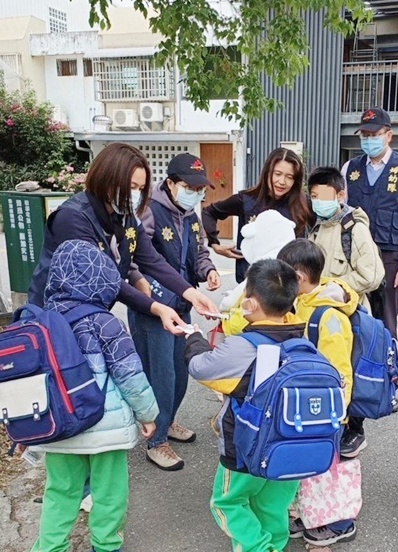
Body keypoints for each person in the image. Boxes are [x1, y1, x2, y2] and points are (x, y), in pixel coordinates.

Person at [19, 240, 158, 552]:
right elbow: (130, 375)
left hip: (60, 429)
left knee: (60, 493)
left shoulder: (39, 322)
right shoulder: (104, 323)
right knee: (110, 492)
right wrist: (148, 416)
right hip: (105, 429)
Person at [185, 259, 305, 552]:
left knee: (226, 502)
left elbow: (202, 368)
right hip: (290, 446)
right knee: (273, 502)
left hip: (248, 445)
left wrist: (193, 338)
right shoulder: (301, 340)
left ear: (250, 303)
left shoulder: (245, 345)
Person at [28, 142, 218, 332]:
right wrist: (156, 308)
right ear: (106, 179)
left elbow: (152, 260)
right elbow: (103, 277)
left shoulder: (125, 216)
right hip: (52, 320)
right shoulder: (73, 218)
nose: (135, 194)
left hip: (89, 316)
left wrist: (191, 293)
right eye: (131, 186)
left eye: (141, 188)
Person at [130, 153, 221, 471]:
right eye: (189, 187)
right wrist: (144, 288)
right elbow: (138, 259)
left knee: (182, 372)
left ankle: (166, 422)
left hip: (182, 306)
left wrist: (208, 270)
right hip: (154, 308)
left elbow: (199, 250)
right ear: (170, 183)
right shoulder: (148, 210)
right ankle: (156, 441)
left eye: (200, 189)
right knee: (161, 377)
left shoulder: (191, 215)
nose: (196, 194)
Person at [276, 239, 358, 547]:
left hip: (327, 410)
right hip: (304, 405)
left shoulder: (328, 316)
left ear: (297, 276)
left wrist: (338, 412)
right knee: (306, 464)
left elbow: (340, 371)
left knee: (327, 467)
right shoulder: (298, 306)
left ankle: (340, 522)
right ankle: (307, 514)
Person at [342, 107, 398, 340]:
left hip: (389, 255)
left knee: (386, 317)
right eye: (364, 135)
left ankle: (388, 370)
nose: (369, 140)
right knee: (355, 313)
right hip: (355, 254)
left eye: (374, 135)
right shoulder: (350, 169)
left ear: (388, 135)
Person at [203, 148, 310, 283]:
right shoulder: (246, 200)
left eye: (289, 177)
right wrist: (215, 244)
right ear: (267, 173)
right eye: (277, 174)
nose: (282, 181)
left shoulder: (303, 204)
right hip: (250, 284)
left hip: (287, 286)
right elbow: (209, 212)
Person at [306, 167, 383, 300]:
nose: (319, 201)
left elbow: (371, 276)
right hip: (318, 310)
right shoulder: (316, 230)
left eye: (324, 195)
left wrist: (333, 287)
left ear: (340, 196)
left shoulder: (354, 229)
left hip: (347, 312)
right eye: (314, 196)